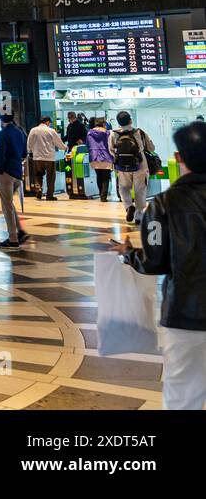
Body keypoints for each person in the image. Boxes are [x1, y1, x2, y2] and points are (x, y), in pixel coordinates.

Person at [113, 121, 206, 410]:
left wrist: (128, 253)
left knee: (182, 396)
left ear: (178, 159)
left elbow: (154, 262)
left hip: (185, 313)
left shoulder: (163, 204)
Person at [0, 112, 30, 250]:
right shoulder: (19, 131)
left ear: (1, 118)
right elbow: (24, 153)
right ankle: (20, 231)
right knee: (9, 203)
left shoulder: (3, 134)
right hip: (17, 172)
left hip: (6, 173)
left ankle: (13, 238)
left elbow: (0, 155)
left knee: (6, 206)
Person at [110, 110, 155, 225]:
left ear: (119, 122)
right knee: (140, 189)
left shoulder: (114, 133)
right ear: (130, 120)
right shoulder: (139, 132)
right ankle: (139, 216)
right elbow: (151, 148)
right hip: (140, 165)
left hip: (122, 166)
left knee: (123, 188)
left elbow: (111, 150)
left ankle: (129, 206)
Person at [26, 115, 65, 201]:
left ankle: (39, 191)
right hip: (49, 158)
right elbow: (58, 143)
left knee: (38, 176)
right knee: (50, 177)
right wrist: (65, 148)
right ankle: (49, 195)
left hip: (37, 158)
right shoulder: (51, 131)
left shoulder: (33, 130)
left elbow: (29, 143)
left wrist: (30, 152)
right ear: (47, 122)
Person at [86, 116, 113, 202]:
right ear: (103, 123)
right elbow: (111, 145)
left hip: (94, 157)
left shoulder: (89, 133)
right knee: (105, 178)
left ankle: (100, 193)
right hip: (106, 157)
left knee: (99, 176)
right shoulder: (107, 133)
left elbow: (87, 145)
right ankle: (103, 196)